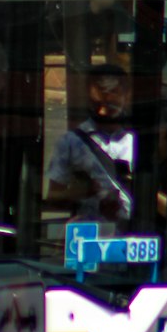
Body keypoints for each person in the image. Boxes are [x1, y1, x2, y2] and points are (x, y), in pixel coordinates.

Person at [47, 64, 134, 224]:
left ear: (126, 96)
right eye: (96, 105)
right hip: (88, 233)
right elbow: (53, 197)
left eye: (109, 106)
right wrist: (83, 192)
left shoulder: (138, 141)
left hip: (133, 236)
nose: (101, 112)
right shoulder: (70, 143)